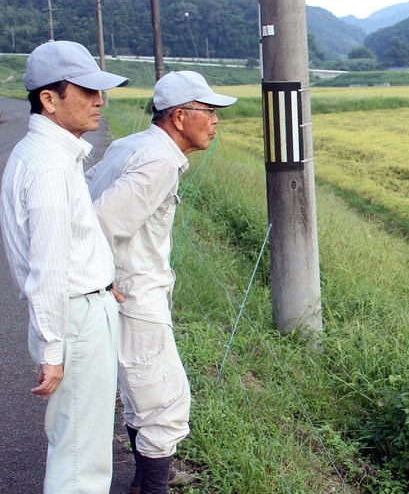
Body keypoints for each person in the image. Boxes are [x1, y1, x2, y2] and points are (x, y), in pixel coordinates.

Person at [86, 71, 236, 494]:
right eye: (208, 111)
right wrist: (101, 278)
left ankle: (145, 479)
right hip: (135, 296)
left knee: (141, 394)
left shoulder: (131, 145)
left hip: (129, 292)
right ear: (179, 116)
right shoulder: (159, 161)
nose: (215, 121)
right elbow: (101, 221)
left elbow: (88, 194)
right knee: (166, 403)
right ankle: (152, 488)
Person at [0, 40, 128, 493]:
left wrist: (101, 282)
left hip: (80, 309)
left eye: (101, 92)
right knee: (79, 457)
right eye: (86, 91)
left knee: (78, 442)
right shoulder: (51, 167)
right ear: (49, 99)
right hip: (74, 320)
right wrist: (54, 350)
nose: (99, 101)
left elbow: (67, 248)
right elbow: (48, 267)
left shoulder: (48, 156)